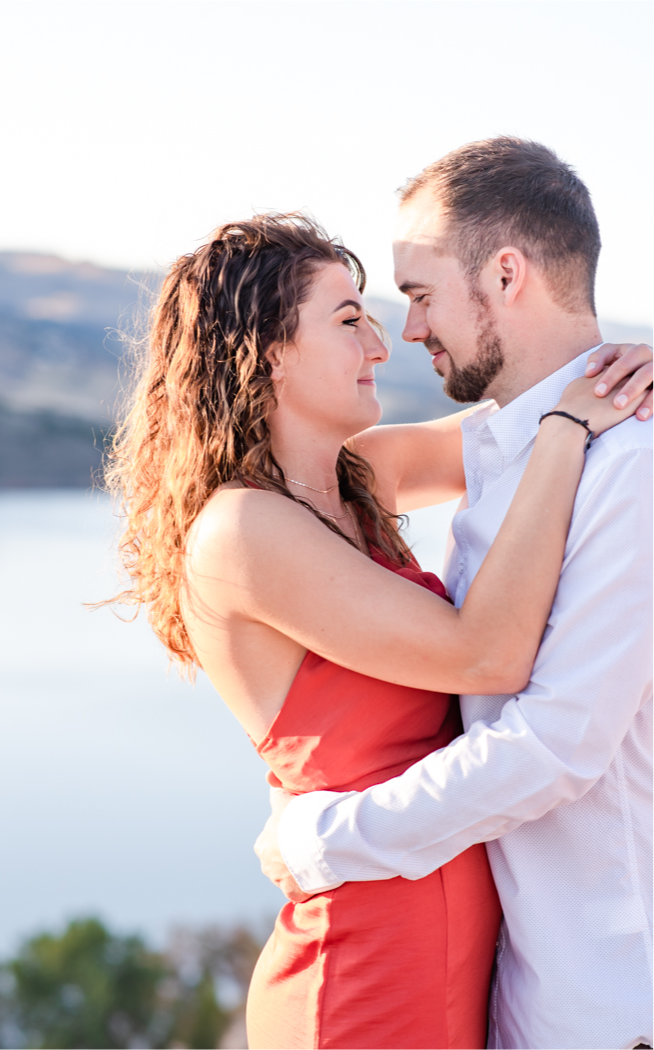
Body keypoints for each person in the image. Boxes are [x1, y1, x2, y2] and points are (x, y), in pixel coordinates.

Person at [103, 208, 650, 1046]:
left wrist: (622, 373)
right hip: (364, 955)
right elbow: (488, 653)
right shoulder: (244, 531)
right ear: (267, 352)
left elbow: (528, 405)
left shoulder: (359, 477)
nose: (382, 345)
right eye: (349, 320)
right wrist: (569, 430)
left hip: (465, 947)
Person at [248, 138, 654, 1049]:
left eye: (420, 295)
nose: (410, 332)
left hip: (616, 1004)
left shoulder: (630, 465)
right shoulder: (512, 445)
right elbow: (315, 474)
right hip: (519, 997)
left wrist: (327, 839)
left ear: (506, 274)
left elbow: (555, 745)